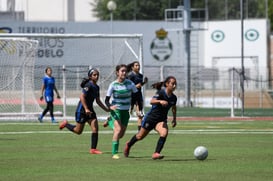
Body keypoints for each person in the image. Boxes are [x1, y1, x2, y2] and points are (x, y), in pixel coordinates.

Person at [59, 68, 113, 154]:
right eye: (94, 75)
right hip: (82, 110)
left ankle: (93, 149)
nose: (97, 76)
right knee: (78, 131)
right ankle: (66, 124)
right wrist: (86, 108)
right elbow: (82, 97)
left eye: (97, 75)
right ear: (90, 76)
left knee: (95, 128)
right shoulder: (88, 85)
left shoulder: (97, 87)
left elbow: (98, 101)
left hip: (90, 110)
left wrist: (106, 109)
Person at [124, 76, 177, 160]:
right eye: (172, 84)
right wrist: (160, 101)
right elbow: (151, 101)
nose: (174, 86)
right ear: (167, 84)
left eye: (175, 84)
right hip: (151, 118)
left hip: (161, 120)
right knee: (139, 137)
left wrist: (174, 119)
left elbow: (174, 108)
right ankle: (129, 144)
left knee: (164, 133)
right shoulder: (161, 93)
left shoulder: (174, 97)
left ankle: (156, 153)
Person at [104, 64, 138, 159]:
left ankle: (110, 120)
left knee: (121, 135)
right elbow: (106, 100)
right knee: (118, 130)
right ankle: (114, 153)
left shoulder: (130, 84)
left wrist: (136, 107)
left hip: (125, 111)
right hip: (116, 111)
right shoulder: (113, 85)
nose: (124, 73)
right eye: (122, 71)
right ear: (117, 73)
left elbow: (136, 96)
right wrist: (110, 106)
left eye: (125, 71)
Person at [127, 61, 148, 131]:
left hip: (138, 95)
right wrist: (136, 86)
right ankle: (111, 119)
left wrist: (144, 82)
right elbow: (129, 86)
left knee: (140, 113)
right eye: (136, 65)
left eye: (138, 65)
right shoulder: (130, 75)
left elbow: (139, 85)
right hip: (131, 95)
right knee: (128, 112)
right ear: (132, 67)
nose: (138, 67)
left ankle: (140, 131)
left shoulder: (141, 76)